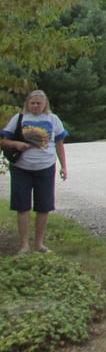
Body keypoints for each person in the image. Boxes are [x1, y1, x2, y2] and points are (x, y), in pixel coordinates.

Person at [2, 90, 68, 255]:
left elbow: (60, 143)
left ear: (45, 104)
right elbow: (4, 140)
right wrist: (17, 144)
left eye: (39, 103)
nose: (35, 106)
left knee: (44, 206)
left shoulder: (53, 120)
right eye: (32, 103)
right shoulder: (19, 119)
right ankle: (24, 245)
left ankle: (39, 243)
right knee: (22, 206)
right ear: (27, 104)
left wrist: (63, 166)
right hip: (21, 168)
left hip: (45, 167)